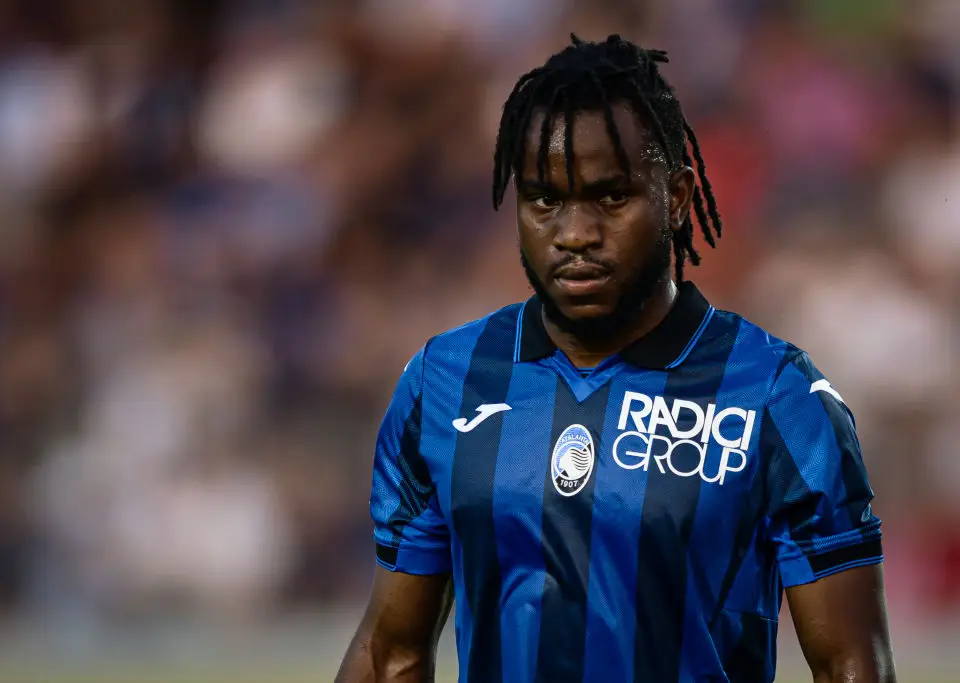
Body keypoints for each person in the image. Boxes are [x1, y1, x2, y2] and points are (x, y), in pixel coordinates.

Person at [335, 34, 896, 683]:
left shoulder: (778, 397)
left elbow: (850, 664)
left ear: (676, 198)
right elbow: (391, 653)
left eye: (611, 198)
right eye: (545, 200)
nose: (576, 234)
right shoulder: (445, 381)